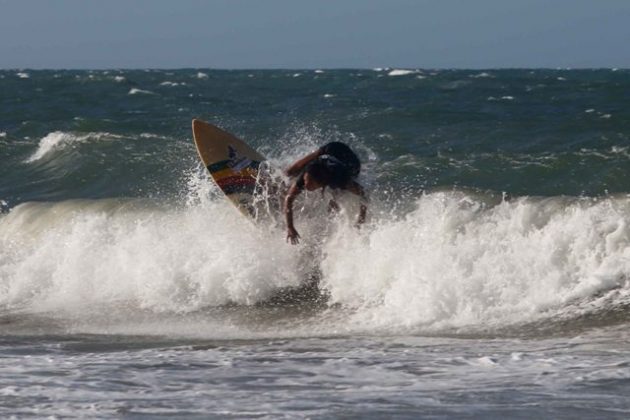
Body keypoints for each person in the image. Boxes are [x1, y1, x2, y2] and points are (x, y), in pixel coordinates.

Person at [284, 142, 367, 244]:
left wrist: (361, 219)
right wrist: (290, 227)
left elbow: (364, 194)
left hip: (350, 161)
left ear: (320, 183)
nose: (305, 186)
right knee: (289, 172)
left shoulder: (340, 180)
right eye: (305, 181)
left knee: (334, 201)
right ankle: (284, 176)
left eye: (310, 184)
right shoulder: (307, 174)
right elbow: (289, 198)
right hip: (331, 148)